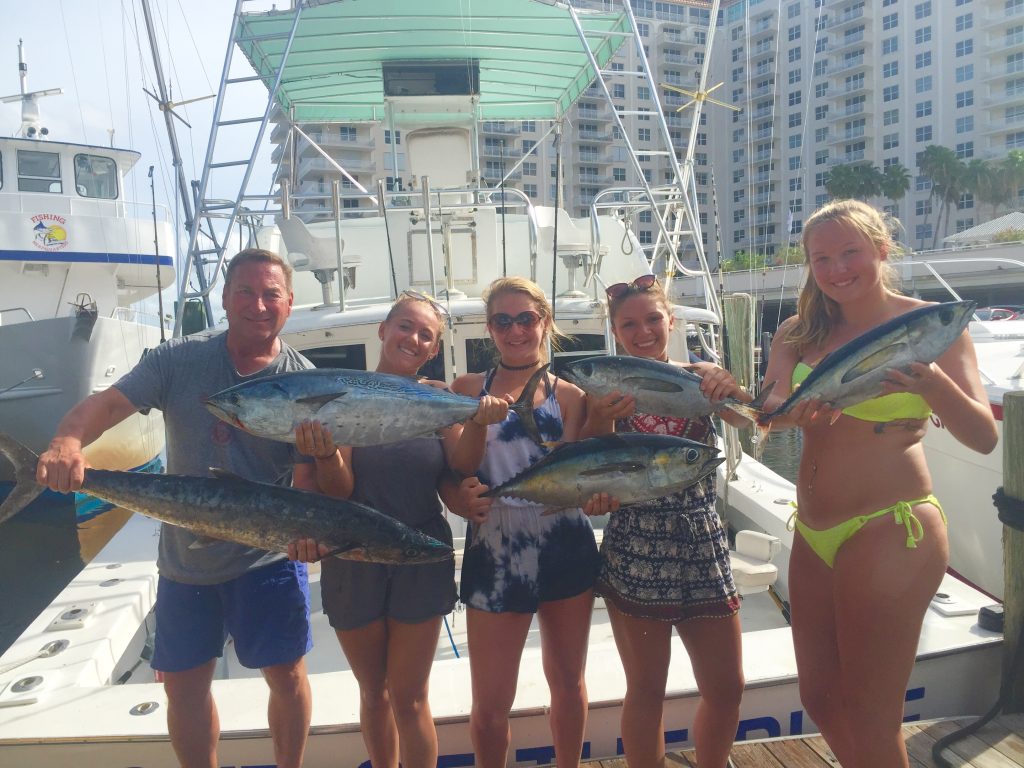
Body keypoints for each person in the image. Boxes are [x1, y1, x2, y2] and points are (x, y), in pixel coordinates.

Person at [35, 248, 336, 768]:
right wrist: (67, 439)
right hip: (186, 561)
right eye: (245, 291)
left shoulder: (305, 381)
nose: (258, 305)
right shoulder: (180, 359)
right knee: (184, 685)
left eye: (271, 295)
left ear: (288, 304)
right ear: (224, 299)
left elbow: (305, 482)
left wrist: (308, 537)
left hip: (265, 558)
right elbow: (109, 405)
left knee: (287, 677)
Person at [760, 199, 998, 768]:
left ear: (881, 251)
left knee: (873, 713)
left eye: (851, 253)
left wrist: (932, 382)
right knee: (820, 697)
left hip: (890, 527)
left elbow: (983, 437)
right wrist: (796, 414)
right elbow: (767, 400)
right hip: (814, 528)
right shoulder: (800, 328)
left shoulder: (930, 323)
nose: (838, 268)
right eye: (823, 258)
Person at [288, 290, 503, 768]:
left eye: (426, 335)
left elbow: (461, 463)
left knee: (409, 698)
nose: (413, 338)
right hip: (352, 556)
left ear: (432, 351)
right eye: (405, 326)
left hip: (419, 557)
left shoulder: (439, 397)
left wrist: (480, 423)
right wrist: (326, 453)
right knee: (373, 693)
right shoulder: (339, 394)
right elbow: (337, 492)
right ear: (383, 331)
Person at [579, 274, 748, 768]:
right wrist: (604, 417)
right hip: (636, 543)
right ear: (615, 332)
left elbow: (748, 418)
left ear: (671, 322)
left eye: (653, 319)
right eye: (629, 324)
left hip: (701, 538)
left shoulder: (700, 377)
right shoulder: (601, 391)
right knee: (647, 691)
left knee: (726, 686)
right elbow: (594, 460)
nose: (644, 330)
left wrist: (731, 387)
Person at [448, 276, 603, 768]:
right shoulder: (468, 389)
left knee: (568, 680)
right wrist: (476, 420)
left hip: (565, 539)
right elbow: (460, 467)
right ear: (489, 329)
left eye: (526, 319)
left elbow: (585, 474)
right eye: (502, 321)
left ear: (545, 322)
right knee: (492, 701)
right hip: (496, 544)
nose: (515, 330)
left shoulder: (574, 397)